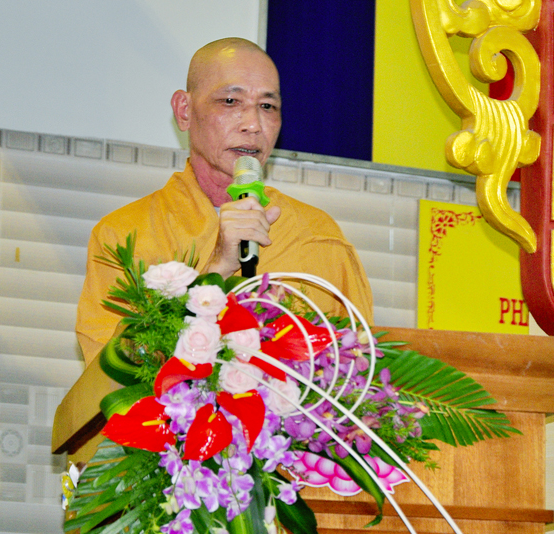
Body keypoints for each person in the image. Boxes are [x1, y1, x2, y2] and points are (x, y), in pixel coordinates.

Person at [75, 38, 373, 365]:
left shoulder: (318, 237)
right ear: (184, 111)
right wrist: (216, 268)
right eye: (230, 101)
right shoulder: (124, 236)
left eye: (267, 106)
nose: (253, 125)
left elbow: (358, 369)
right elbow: (108, 378)